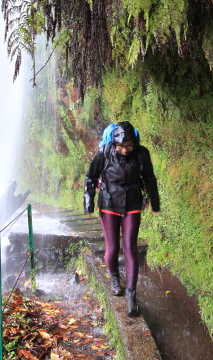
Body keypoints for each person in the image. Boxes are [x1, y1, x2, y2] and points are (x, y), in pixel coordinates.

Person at [84, 121, 160, 317]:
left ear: (134, 144)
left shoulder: (142, 154)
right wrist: (88, 202)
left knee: (130, 248)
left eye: (128, 147)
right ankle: (115, 277)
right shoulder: (105, 152)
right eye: (121, 147)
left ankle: (131, 295)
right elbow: (91, 177)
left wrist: (155, 202)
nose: (125, 151)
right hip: (109, 204)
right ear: (114, 144)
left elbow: (150, 178)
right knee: (112, 249)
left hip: (132, 204)